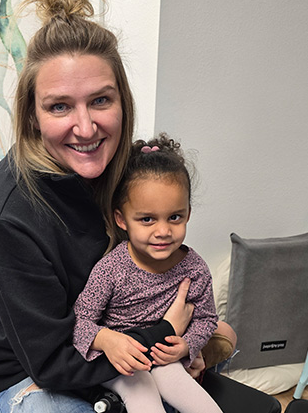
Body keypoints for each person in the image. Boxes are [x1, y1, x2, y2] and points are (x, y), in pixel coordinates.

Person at [0, 0, 231, 412]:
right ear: (32, 114)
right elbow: (50, 360)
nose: (85, 128)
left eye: (101, 100)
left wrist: (190, 341)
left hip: (114, 332)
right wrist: (160, 334)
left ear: (123, 101)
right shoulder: (5, 216)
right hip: (31, 371)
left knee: (226, 334)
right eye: (60, 106)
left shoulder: (122, 171)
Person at [73, 134, 224, 413]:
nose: (163, 231)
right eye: (147, 219)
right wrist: (107, 341)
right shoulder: (111, 269)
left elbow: (206, 317)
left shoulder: (195, 268)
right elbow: (80, 321)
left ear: (188, 213)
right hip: (123, 362)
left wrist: (187, 346)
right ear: (122, 219)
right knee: (145, 401)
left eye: (174, 217)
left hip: (165, 357)